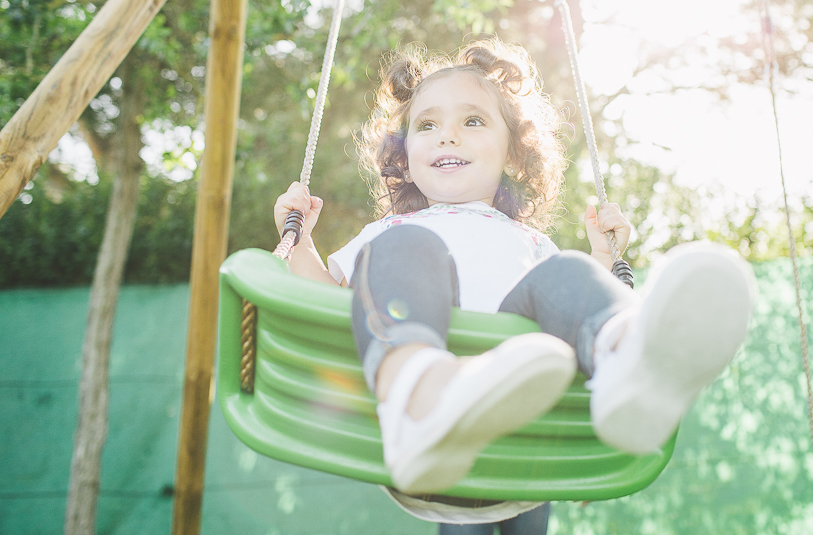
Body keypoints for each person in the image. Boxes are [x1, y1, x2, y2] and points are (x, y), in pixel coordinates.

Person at [273, 38, 756, 531]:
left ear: (512, 152)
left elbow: (569, 309)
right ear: (405, 152)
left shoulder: (533, 244)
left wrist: (604, 259)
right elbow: (324, 307)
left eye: (473, 121)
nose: (448, 136)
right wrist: (300, 241)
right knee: (407, 246)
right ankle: (420, 394)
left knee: (569, 273)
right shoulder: (386, 236)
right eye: (427, 125)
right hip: (427, 452)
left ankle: (629, 363)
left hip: (527, 440)